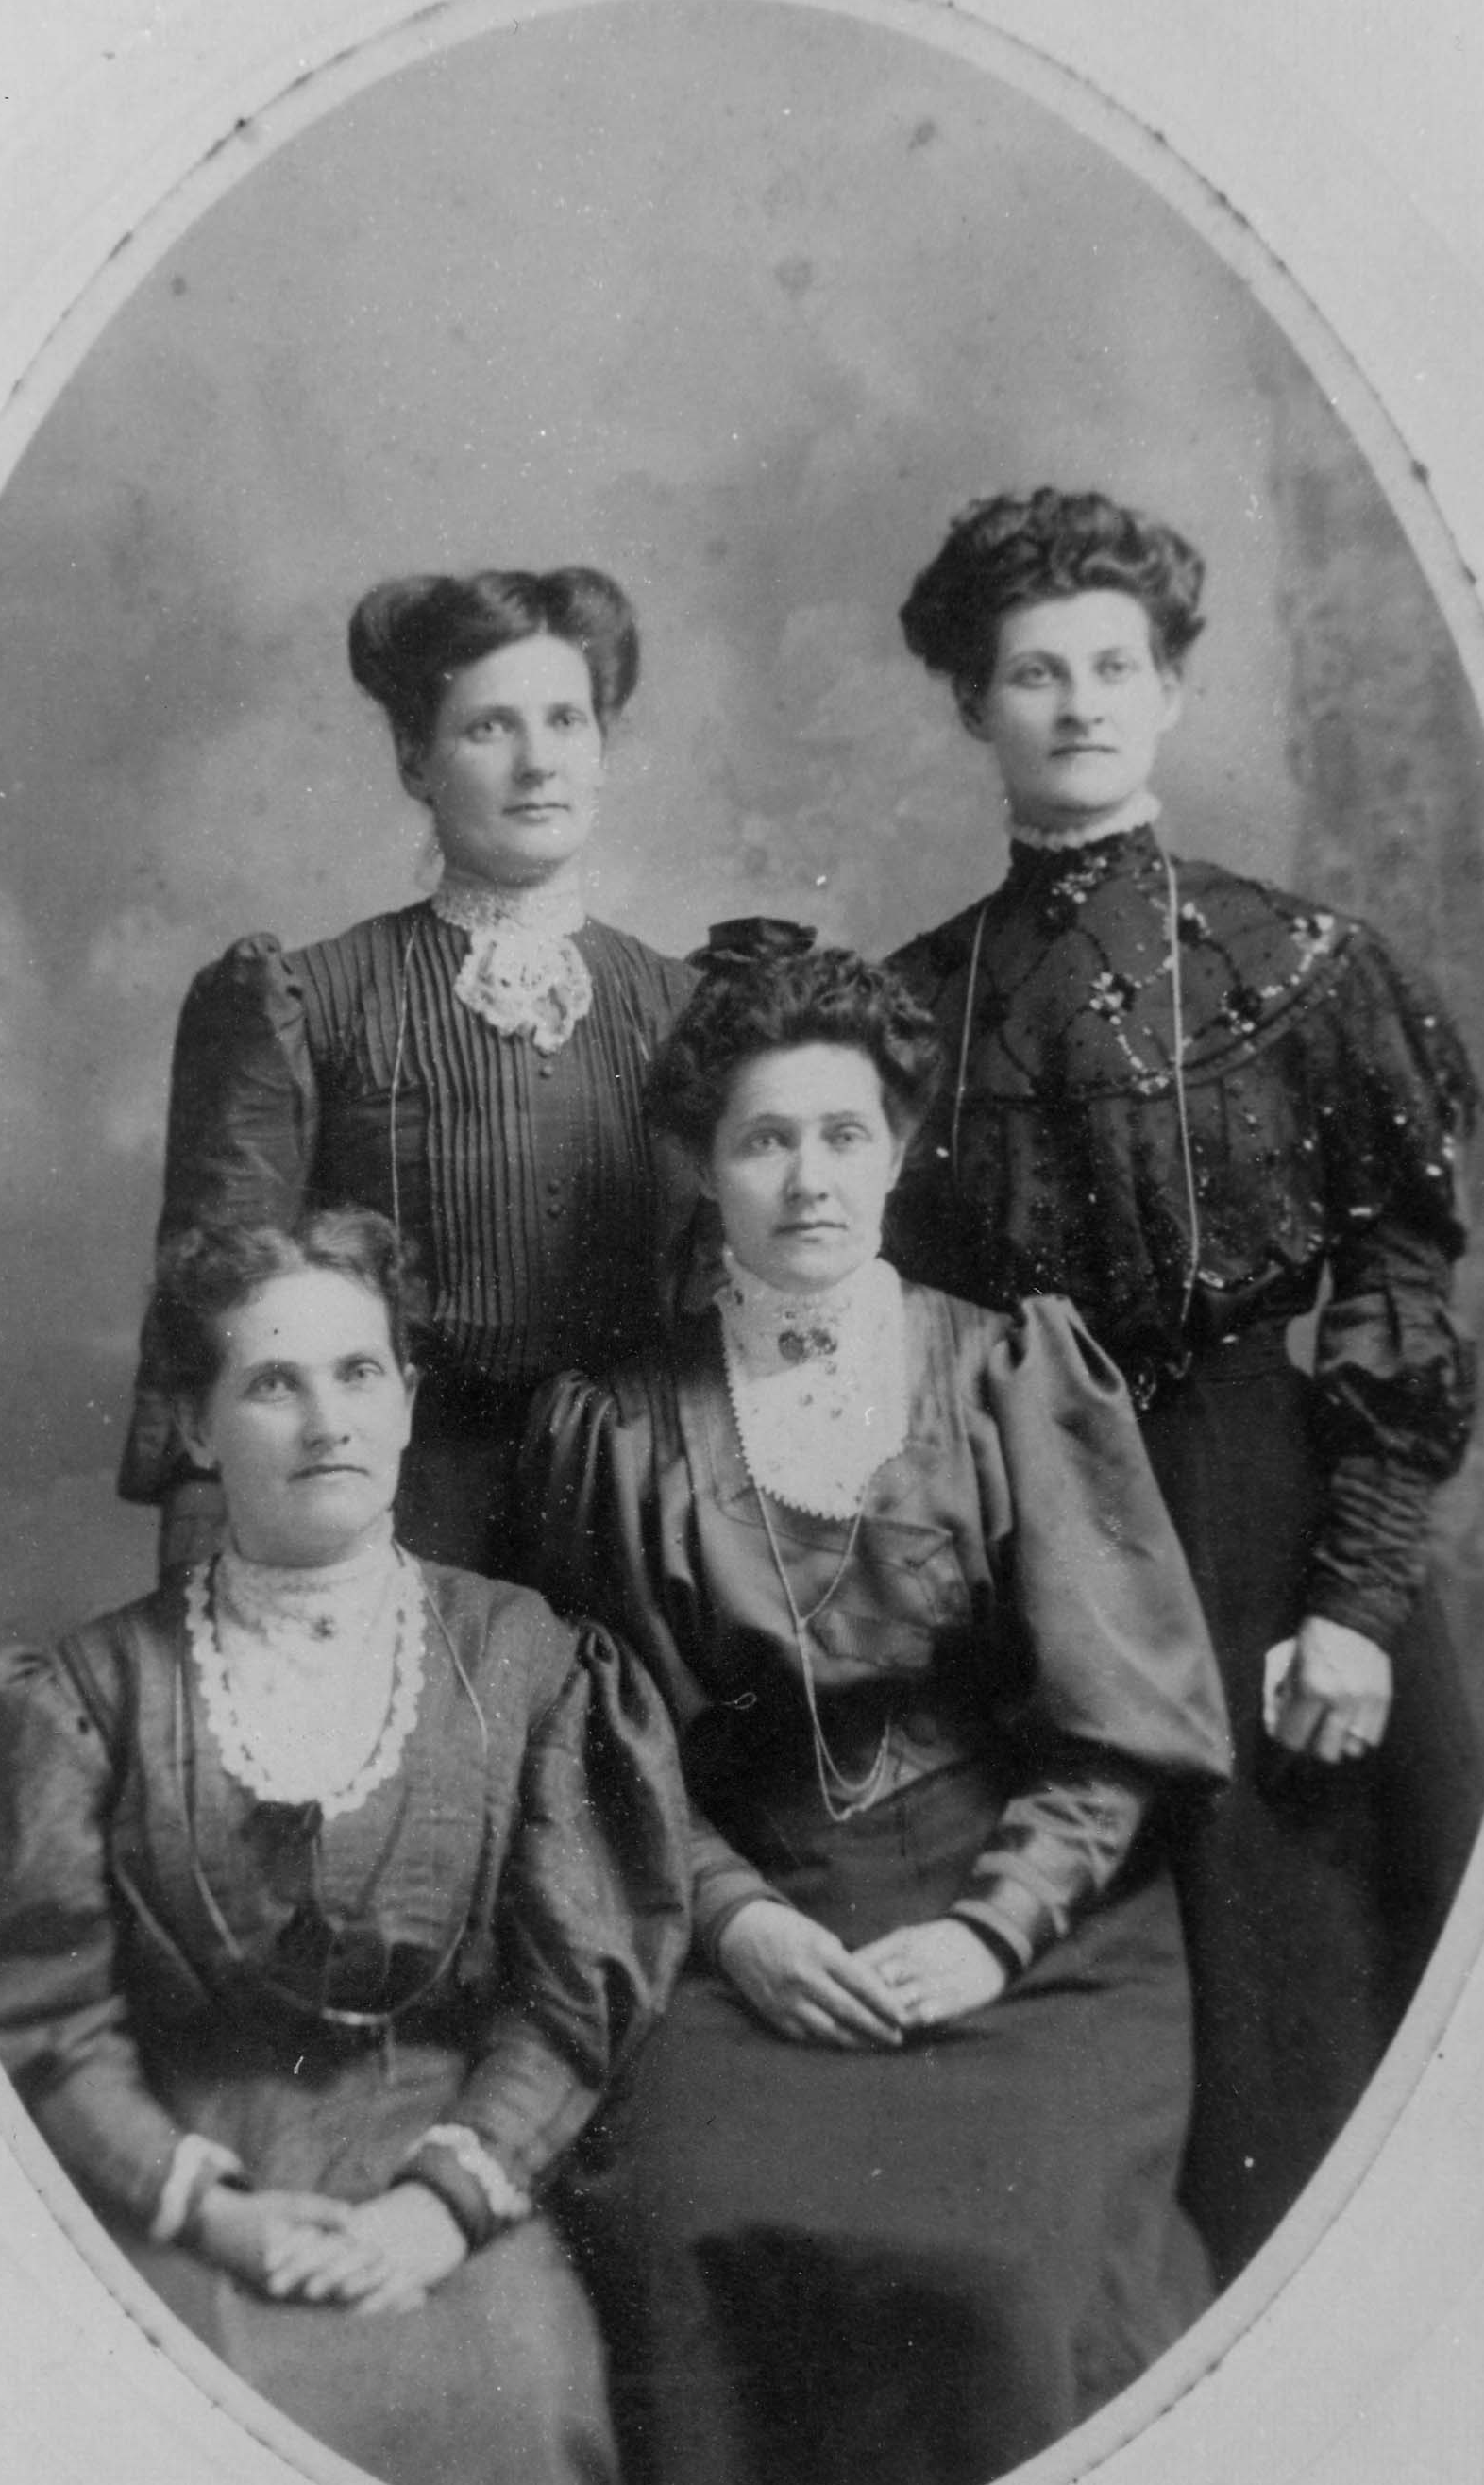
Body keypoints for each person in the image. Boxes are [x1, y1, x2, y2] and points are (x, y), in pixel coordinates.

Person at [525, 929, 1231, 2485]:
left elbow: (1117, 1726)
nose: (808, 1180)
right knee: (684, 2234)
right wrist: (739, 1925)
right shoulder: (616, 1426)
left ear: (899, 1148)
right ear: (701, 1165)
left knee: (1002, 2273)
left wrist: (991, 1929)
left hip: (1042, 1924)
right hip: (741, 1921)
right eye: (762, 1140)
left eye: (843, 1133)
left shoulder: (1007, 1372)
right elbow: (605, 1750)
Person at [888, 485, 1484, 2278]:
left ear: (1168, 690)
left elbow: (1395, 1287)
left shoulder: (1301, 969)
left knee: (1311, 2018)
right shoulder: (915, 1008)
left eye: (1111, 666)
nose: (1076, 702)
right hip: (1031, 1541)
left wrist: (1355, 1603)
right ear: (971, 705)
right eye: (1032, 672)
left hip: (1262, 1525)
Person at [0, 1209, 690, 2485]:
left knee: (520, 2402)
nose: (325, 1422)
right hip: (186, 2171)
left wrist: (441, 2206)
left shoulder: (525, 1658)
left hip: (452, 2163)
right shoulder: (96, 1688)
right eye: (272, 1384)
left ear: (407, 1400)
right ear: (198, 1429)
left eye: (358, 1373)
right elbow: (49, 2014)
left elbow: (576, 1992)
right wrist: (208, 2209)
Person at [118, 566, 691, 1577]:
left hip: (634, 1519)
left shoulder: (683, 1008)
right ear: (415, 759)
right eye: (489, 728)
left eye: (566, 721)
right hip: (395, 1520)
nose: (537, 763)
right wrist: (204, 1569)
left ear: (603, 749)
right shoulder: (304, 1002)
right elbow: (220, 1311)